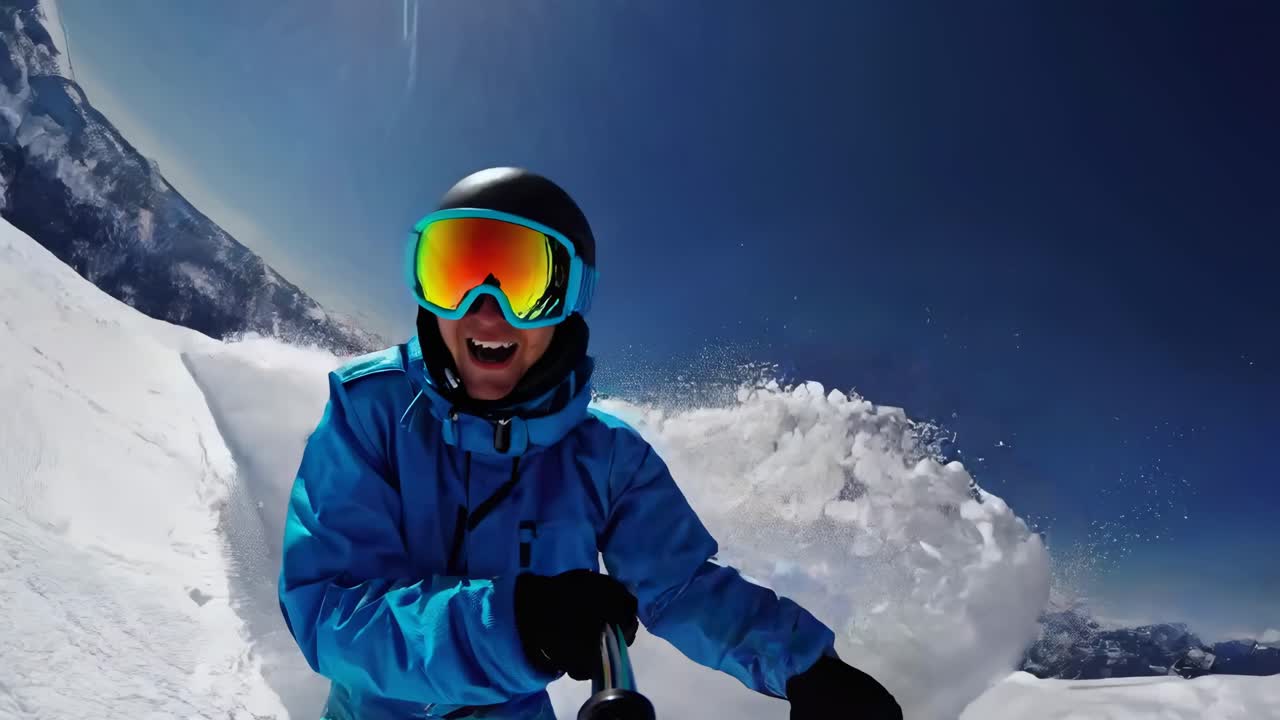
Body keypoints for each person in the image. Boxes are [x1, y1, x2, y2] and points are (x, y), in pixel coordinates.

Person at [278, 167, 902, 720]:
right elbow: (330, 608)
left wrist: (806, 669)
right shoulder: (375, 411)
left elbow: (680, 586)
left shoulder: (608, 460)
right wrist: (519, 625)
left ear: (569, 306)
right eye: (456, 274)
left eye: (527, 284)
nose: (486, 311)